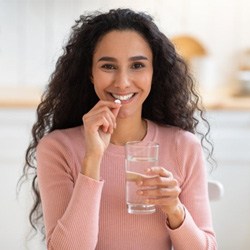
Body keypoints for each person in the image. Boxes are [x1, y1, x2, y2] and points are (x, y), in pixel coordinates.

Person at [22, 8, 217, 250]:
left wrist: (175, 210)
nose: (123, 82)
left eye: (137, 65)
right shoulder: (57, 148)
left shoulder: (184, 146)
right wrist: (92, 159)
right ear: (91, 74)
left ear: (154, 73)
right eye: (108, 66)